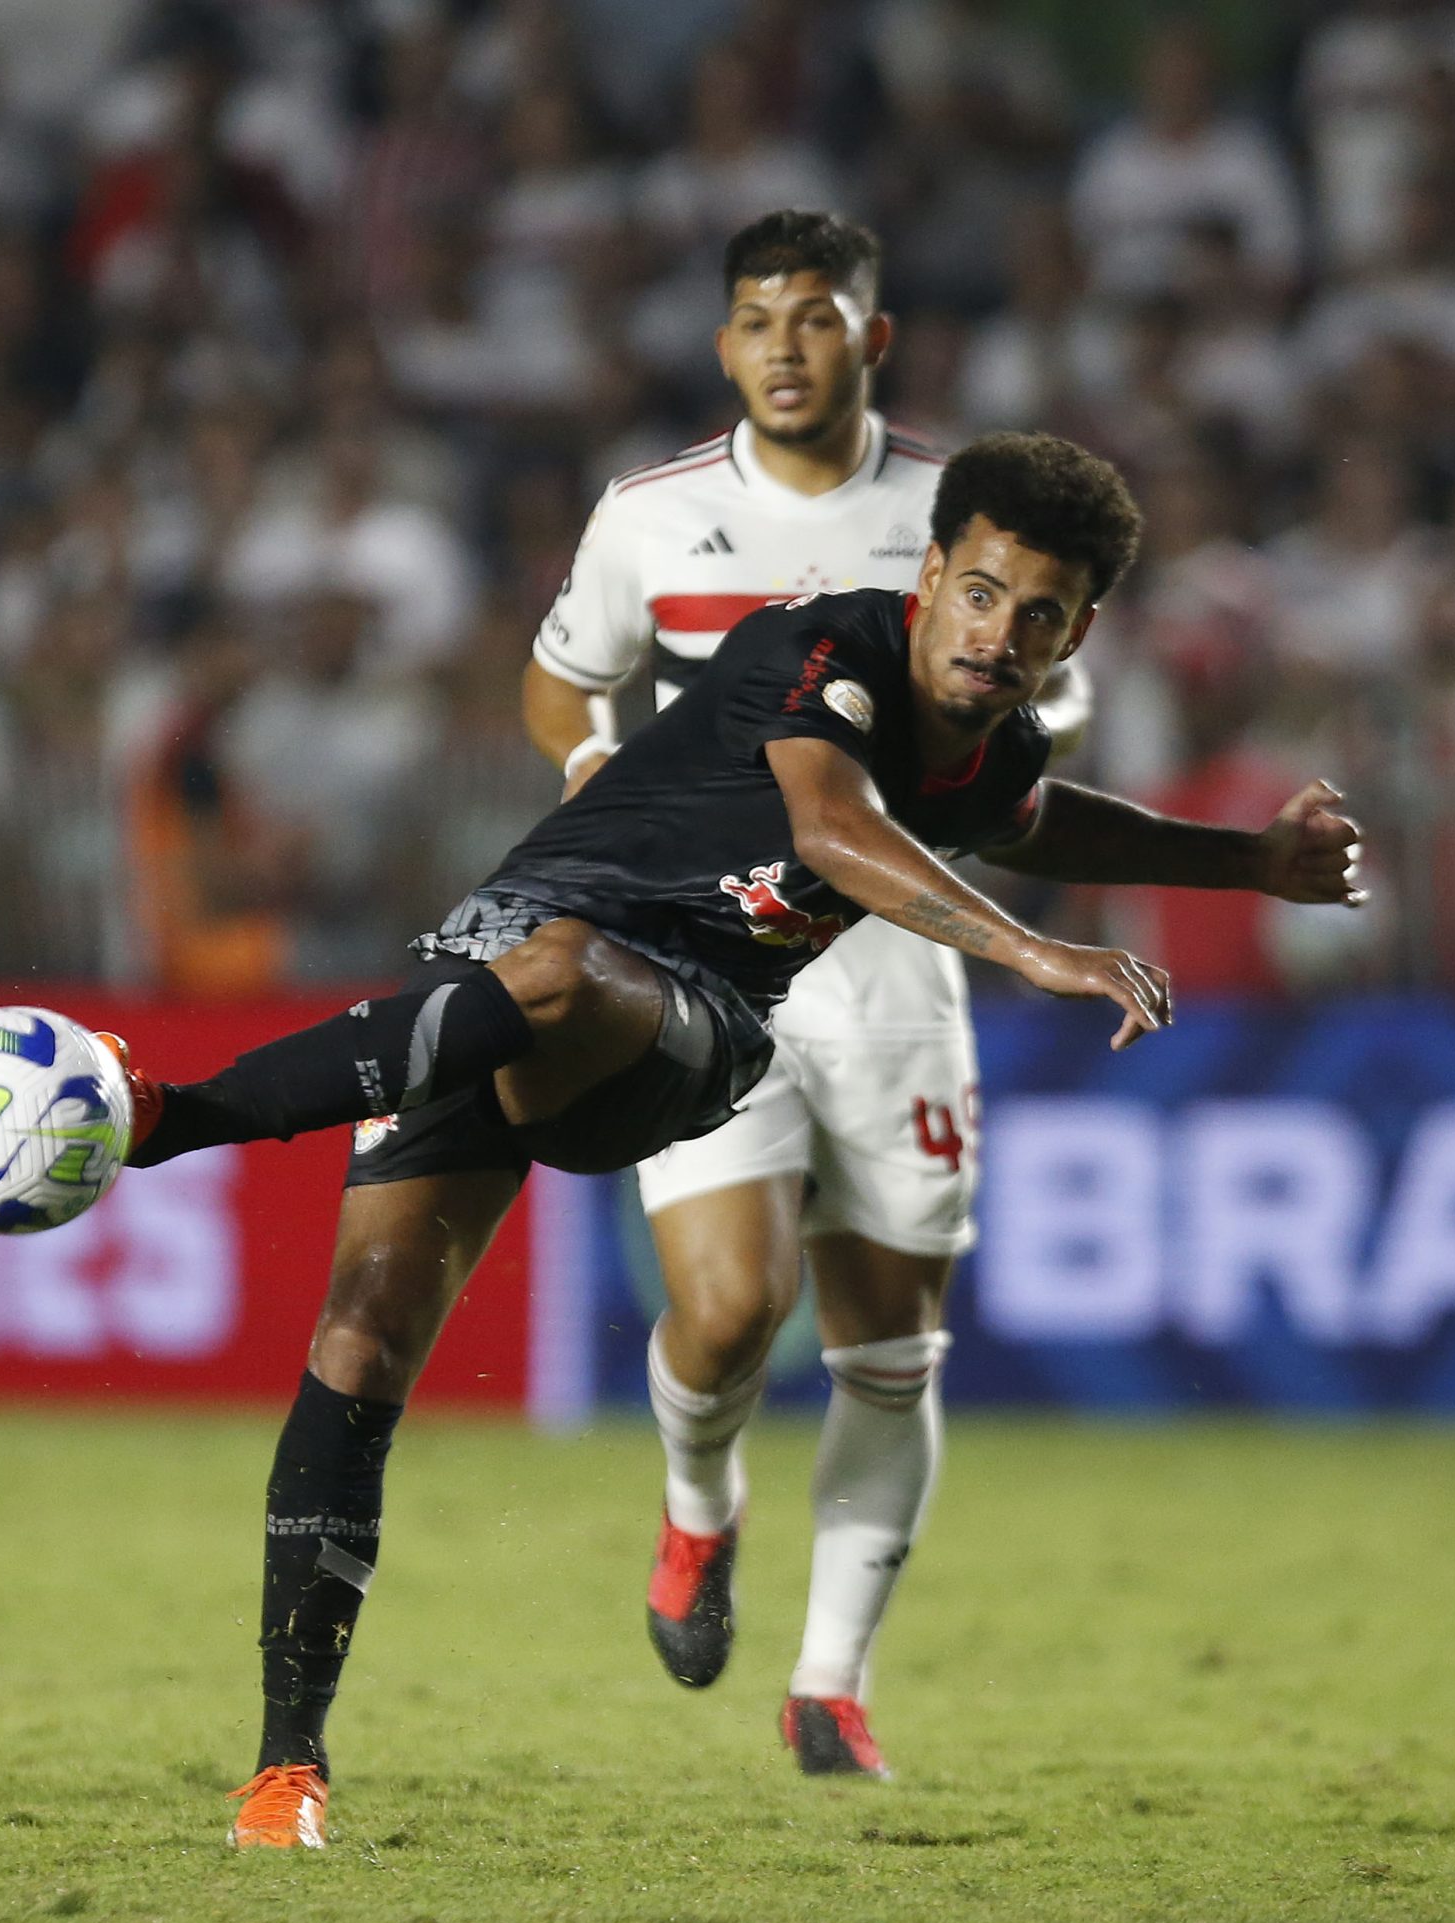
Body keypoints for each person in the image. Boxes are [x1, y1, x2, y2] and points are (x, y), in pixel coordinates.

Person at [101, 431, 1361, 1847]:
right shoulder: (820, 645)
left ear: (1083, 630)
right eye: (985, 594)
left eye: (1042, 616)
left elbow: (1035, 820)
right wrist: (1034, 953)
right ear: (935, 574)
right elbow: (828, 824)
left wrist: (1248, 860)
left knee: (573, 980)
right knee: (361, 1339)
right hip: (496, 966)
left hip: (683, 1025)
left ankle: (176, 1120)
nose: (1002, 637)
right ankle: (287, 1772)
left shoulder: (987, 742)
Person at [522, 209, 1095, 1779]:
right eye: (759, 320)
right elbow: (566, 668)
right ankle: (699, 1505)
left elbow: (1045, 715)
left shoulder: (957, 513)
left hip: (900, 961)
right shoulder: (651, 515)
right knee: (721, 1316)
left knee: (889, 1339)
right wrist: (596, 765)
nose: (787, 345)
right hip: (707, 948)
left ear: (873, 337)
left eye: (820, 317)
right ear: (724, 347)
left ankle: (829, 1686)